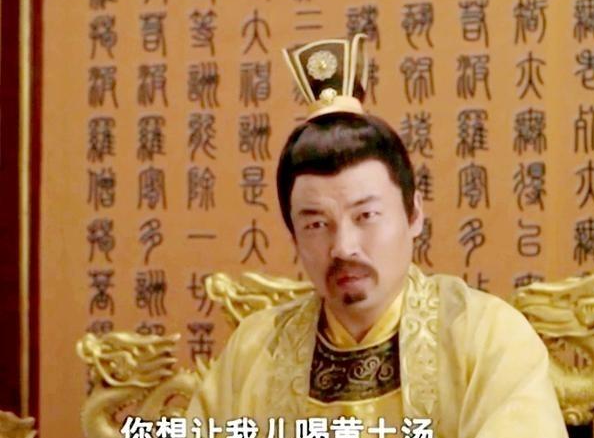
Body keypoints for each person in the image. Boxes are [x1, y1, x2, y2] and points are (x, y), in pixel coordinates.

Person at [187, 34, 568, 438]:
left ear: (414, 214)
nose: (343, 247)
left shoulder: (484, 336)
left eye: (366, 215)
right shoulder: (253, 351)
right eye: (316, 224)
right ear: (293, 236)